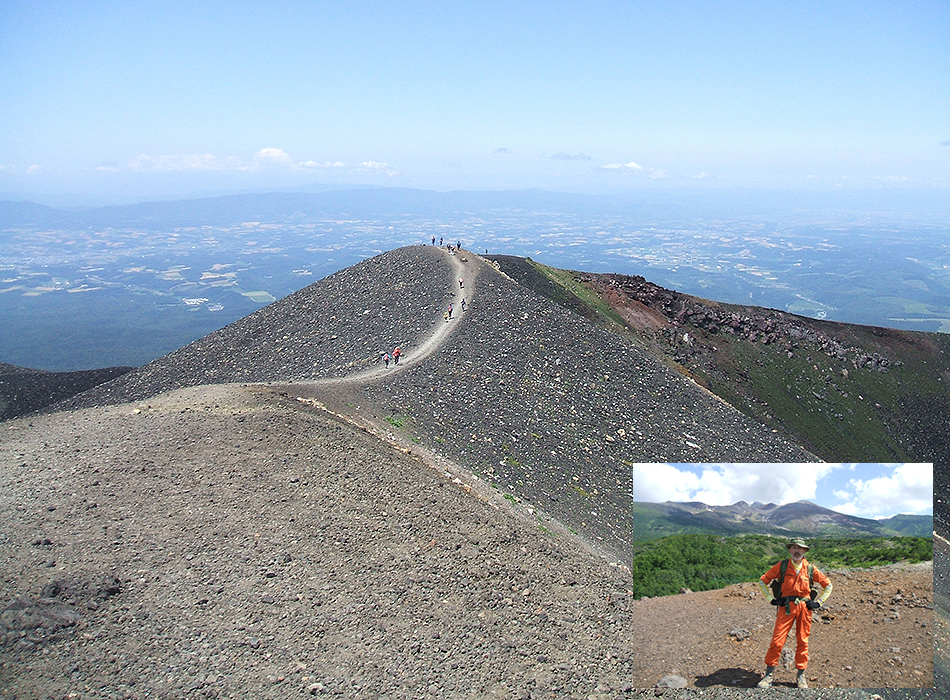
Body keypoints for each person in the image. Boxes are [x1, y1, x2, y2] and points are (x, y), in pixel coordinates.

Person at [756, 538, 832, 689]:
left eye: (800, 548)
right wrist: (771, 599)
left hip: (804, 608)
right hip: (786, 607)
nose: (796, 550)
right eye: (793, 548)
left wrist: (819, 602)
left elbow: (828, 585)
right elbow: (762, 581)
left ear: (804, 551)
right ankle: (768, 675)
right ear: (789, 550)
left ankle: (801, 676)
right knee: (777, 641)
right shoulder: (782, 566)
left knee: (803, 641)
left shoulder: (810, 568)